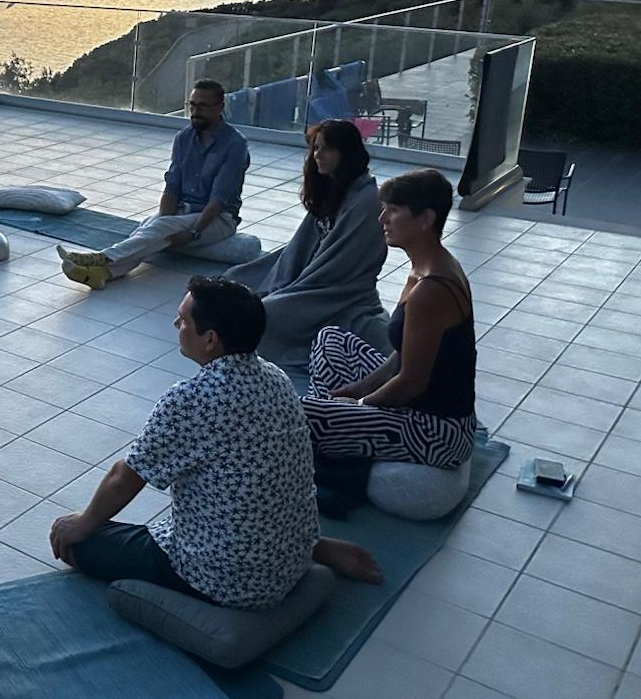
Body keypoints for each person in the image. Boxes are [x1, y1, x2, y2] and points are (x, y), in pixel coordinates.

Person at [48, 277, 381, 606]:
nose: (175, 323)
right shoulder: (276, 377)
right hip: (289, 554)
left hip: (223, 577)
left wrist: (83, 523)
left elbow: (127, 477)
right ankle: (313, 547)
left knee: (75, 541)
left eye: (183, 319)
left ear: (210, 339)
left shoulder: (190, 400)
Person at [303, 170, 477, 469]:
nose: (382, 218)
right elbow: (404, 353)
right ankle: (332, 436)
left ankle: (328, 439)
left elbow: (411, 382)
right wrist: (360, 388)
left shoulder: (432, 288)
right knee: (331, 339)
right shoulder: (426, 266)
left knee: (302, 414)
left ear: (426, 219)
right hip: (413, 406)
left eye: (393, 210)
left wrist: (360, 405)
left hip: (438, 431)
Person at [224, 120, 389, 371]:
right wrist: (283, 282)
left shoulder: (365, 201)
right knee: (234, 280)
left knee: (264, 313)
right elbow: (300, 247)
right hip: (311, 276)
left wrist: (292, 291)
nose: (318, 155)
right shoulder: (332, 187)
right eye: (315, 148)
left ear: (346, 153)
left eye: (326, 149)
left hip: (338, 291)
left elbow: (337, 263)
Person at [57, 80, 249, 288]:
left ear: (220, 107)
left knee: (159, 228)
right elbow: (172, 187)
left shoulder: (235, 144)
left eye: (202, 106)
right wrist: (165, 218)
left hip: (218, 219)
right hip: (184, 211)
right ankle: (104, 274)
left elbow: (219, 199)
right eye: (192, 105)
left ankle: (102, 258)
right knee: (148, 228)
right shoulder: (183, 138)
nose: (195, 112)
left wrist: (193, 233)